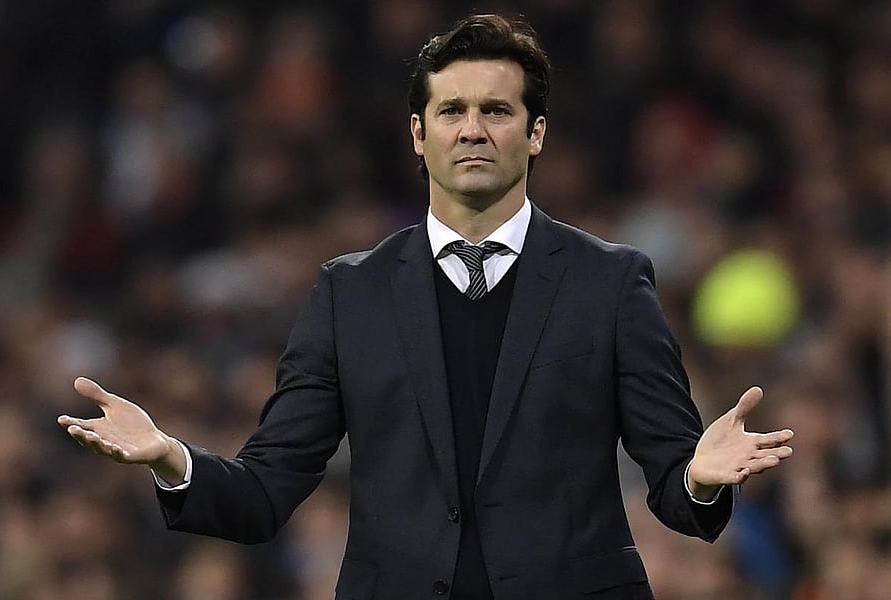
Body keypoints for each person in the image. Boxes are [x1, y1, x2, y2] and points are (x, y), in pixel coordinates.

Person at [58, 14, 794, 600]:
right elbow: (265, 491)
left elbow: (673, 486)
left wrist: (698, 478)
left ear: (535, 133)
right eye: (452, 111)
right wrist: (171, 459)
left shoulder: (612, 282)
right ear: (419, 133)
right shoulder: (349, 293)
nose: (473, 128)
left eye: (497, 110)